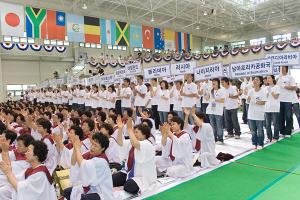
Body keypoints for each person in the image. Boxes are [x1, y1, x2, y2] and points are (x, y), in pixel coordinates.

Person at [63, 132, 113, 200]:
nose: (92, 147)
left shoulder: (102, 161)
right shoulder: (90, 154)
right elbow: (73, 162)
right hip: (89, 188)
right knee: (67, 192)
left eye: (95, 146)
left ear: (103, 149)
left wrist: (77, 148)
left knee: (83, 198)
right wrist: (75, 147)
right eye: (92, 144)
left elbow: (83, 165)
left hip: (101, 192)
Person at [113, 118, 157, 194]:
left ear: (144, 134)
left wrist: (129, 130)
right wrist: (120, 129)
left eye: (136, 132)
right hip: (129, 172)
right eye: (134, 132)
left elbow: (136, 145)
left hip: (142, 176)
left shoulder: (147, 144)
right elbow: (120, 143)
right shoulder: (132, 142)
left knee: (129, 186)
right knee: (113, 180)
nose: (134, 134)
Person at [247, 76, 267, 150]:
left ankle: (260, 143)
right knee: (253, 131)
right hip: (251, 113)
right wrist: (250, 100)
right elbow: (248, 101)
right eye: (254, 79)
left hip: (259, 114)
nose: (255, 81)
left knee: (260, 130)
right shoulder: (250, 91)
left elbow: (263, 102)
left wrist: (254, 101)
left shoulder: (263, 91)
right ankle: (254, 143)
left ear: (260, 82)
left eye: (257, 80)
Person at [277, 66, 297, 137]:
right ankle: (282, 131)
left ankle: (288, 132)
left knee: (288, 116)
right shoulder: (278, 78)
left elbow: (294, 87)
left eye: (283, 68)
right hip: (280, 100)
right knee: (280, 117)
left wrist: (284, 86)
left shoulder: (290, 77)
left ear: (286, 69)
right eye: (280, 68)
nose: (281, 69)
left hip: (288, 100)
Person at [206, 78, 225, 144]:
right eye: (212, 82)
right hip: (211, 110)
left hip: (218, 110)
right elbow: (207, 98)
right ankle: (214, 138)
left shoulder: (221, 90)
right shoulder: (211, 91)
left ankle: (220, 139)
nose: (213, 83)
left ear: (218, 83)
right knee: (212, 126)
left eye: (214, 81)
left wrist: (214, 100)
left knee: (219, 125)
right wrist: (207, 94)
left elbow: (223, 100)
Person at [265, 75, 280, 142]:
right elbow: (264, 97)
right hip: (267, 108)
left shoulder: (277, 87)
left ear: (273, 79)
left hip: (275, 108)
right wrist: (267, 92)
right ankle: (269, 137)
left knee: (275, 123)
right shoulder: (265, 88)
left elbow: (276, 97)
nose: (267, 79)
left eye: (269, 78)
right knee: (267, 124)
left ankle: (276, 137)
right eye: (267, 78)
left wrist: (270, 90)